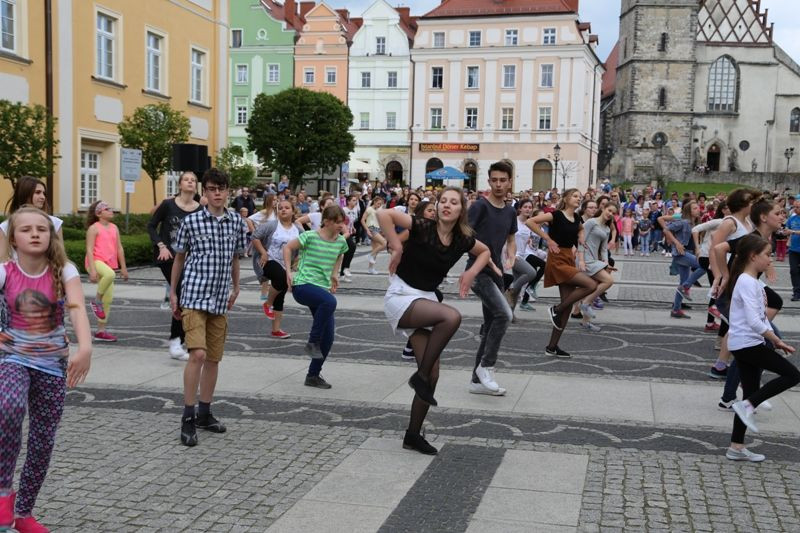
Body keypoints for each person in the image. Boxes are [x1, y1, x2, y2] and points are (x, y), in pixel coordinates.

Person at [378, 187, 492, 454]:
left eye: (454, 202)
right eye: (443, 201)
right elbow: (384, 214)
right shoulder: (422, 225)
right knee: (451, 316)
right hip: (401, 295)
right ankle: (419, 376)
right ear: (438, 205)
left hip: (426, 300)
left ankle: (412, 435)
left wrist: (471, 272)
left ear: (461, 209)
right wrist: (395, 245)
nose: (447, 206)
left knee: (433, 374)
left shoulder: (463, 239)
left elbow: (485, 251)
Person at [0, 207, 92, 532]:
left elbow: (79, 309)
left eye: (42, 228)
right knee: (8, 407)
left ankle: (23, 513)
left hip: (52, 365)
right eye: (26, 229)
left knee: (42, 441)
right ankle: (2, 494)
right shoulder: (4, 271)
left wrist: (86, 346)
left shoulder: (63, 270)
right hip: (12, 358)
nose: (35, 234)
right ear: (13, 237)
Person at [170, 168, 248, 447]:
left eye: (222, 188)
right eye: (212, 189)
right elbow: (179, 258)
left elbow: (236, 258)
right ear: (205, 191)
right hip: (193, 294)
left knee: (214, 358)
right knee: (198, 354)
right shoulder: (191, 222)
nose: (217, 193)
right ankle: (188, 416)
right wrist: (173, 292)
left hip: (219, 298)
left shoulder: (237, 224)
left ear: (228, 192)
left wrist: (237, 287)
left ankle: (205, 412)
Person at [723, 234, 799, 462]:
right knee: (792, 375)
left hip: (747, 343)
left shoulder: (752, 282)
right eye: (767, 254)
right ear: (753, 256)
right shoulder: (747, 282)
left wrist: (776, 339)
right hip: (748, 344)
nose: (771, 259)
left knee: (749, 392)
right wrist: (774, 339)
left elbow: (760, 318)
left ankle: (735, 447)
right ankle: (748, 405)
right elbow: (755, 322)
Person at [283, 205, 350, 390]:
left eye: (342, 222)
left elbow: (341, 254)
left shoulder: (340, 241)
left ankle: (312, 375)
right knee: (330, 301)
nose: (340, 225)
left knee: (328, 337)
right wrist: (289, 272)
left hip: (321, 288)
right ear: (326, 221)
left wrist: (335, 273)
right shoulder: (310, 236)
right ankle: (312, 341)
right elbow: (288, 248)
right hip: (303, 285)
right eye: (337, 222)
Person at [527, 189, 598, 358]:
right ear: (565, 198)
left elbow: (580, 229)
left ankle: (552, 347)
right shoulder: (556, 215)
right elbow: (531, 222)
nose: (578, 198)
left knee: (566, 307)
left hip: (568, 258)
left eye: (579, 197)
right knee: (591, 284)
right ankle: (556, 309)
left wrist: (581, 238)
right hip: (557, 258)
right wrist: (548, 239)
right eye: (575, 196)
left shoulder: (577, 218)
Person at [468, 162, 516, 394]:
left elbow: (511, 238)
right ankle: (486, 366)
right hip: (478, 272)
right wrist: (486, 259)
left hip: (498, 273)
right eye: (494, 180)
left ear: (509, 182)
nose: (498, 184)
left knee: (489, 326)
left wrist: (512, 257)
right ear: (488, 182)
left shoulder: (510, 211)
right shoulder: (479, 207)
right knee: (504, 315)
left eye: (502, 180)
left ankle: (476, 382)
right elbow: (465, 238)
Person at [147, 171, 202, 361]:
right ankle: (175, 340)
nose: (190, 182)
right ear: (179, 185)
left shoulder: (199, 208)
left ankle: (183, 339)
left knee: (189, 295)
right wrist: (161, 245)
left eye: (193, 180)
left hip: (190, 258)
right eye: (187, 179)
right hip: (168, 256)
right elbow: (151, 225)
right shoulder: (168, 205)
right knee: (183, 291)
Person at [707, 188, 759, 378]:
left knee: (736, 323)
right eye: (749, 201)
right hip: (731, 272)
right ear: (741, 204)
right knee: (741, 321)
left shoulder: (748, 221)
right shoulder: (730, 222)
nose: (752, 204)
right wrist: (719, 275)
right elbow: (715, 248)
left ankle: (721, 365)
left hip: (744, 273)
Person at [252, 199, 303, 340]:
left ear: (293, 211)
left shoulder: (298, 229)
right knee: (280, 279)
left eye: (287, 208)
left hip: (285, 264)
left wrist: (297, 260)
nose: (283, 210)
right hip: (268, 261)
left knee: (280, 295)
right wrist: (263, 252)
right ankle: (267, 304)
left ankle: (276, 330)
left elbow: (304, 243)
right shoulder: (272, 225)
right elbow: (255, 237)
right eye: (280, 208)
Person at [85, 200, 128, 342]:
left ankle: (100, 331)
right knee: (110, 275)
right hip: (95, 262)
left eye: (111, 208)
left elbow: (119, 248)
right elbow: (89, 250)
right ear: (99, 213)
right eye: (107, 209)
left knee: (108, 298)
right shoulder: (94, 228)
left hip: (108, 264)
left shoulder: (114, 228)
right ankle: (96, 300)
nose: (111, 211)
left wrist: (124, 267)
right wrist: (92, 270)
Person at [659, 201, 706, 319]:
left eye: (698, 207)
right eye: (695, 208)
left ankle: (676, 310)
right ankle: (687, 286)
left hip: (688, 253)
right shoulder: (684, 221)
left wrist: (697, 248)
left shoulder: (695, 223)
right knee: (705, 265)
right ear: (689, 211)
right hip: (681, 253)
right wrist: (676, 243)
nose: (698, 209)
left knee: (682, 282)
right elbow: (666, 229)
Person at [0, 176, 63, 261]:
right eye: (38, 192)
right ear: (25, 194)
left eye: (43, 193)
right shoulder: (5, 226)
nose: (43, 197)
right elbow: (2, 259)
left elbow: (59, 256)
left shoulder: (55, 222)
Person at [577, 203, 617, 332]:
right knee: (609, 281)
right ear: (604, 209)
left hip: (594, 260)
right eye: (609, 210)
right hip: (585, 260)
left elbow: (604, 249)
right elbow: (580, 240)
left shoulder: (606, 229)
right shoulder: (591, 222)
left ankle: (585, 322)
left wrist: (606, 264)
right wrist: (581, 260)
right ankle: (586, 303)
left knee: (591, 287)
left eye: (613, 213)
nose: (610, 213)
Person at [691, 201, 729, 333]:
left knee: (717, 287)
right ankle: (714, 310)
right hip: (708, 256)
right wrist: (697, 247)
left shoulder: (731, 223)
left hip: (714, 256)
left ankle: (710, 322)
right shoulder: (719, 222)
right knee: (718, 287)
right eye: (729, 208)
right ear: (723, 210)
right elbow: (695, 229)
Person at [361, 196, 387, 274]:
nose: (379, 205)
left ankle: (370, 268)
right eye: (378, 203)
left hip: (377, 229)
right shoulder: (369, 209)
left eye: (380, 204)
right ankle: (370, 255)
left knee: (375, 249)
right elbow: (362, 220)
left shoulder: (376, 210)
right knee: (384, 243)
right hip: (372, 229)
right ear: (374, 202)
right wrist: (367, 230)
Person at [787, 197, 800, 301]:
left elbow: (792, 231)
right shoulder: (792, 218)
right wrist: (784, 231)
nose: (795, 209)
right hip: (793, 250)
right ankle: (796, 292)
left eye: (798, 207)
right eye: (794, 207)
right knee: (793, 271)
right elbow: (787, 229)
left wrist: (793, 232)